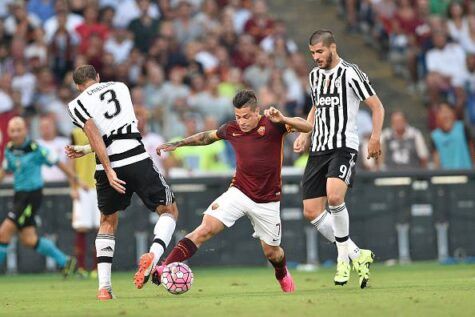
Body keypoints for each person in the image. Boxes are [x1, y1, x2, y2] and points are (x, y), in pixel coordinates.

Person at [153, 89, 313, 293]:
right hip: (238, 192)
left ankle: (281, 273)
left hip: (267, 201)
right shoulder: (231, 129)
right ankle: (163, 267)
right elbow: (206, 137)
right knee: (204, 230)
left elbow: (307, 126)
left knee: (273, 254)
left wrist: (283, 117)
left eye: (246, 116)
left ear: (257, 112)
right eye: (238, 117)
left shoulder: (273, 123)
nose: (242, 121)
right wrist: (180, 143)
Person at [65, 65, 179, 301]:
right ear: (98, 77)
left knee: (107, 221)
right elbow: (119, 129)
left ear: (78, 86)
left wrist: (106, 167)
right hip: (136, 155)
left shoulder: (75, 104)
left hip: (107, 164)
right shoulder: (120, 87)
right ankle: (154, 255)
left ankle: (104, 288)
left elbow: (96, 133)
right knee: (168, 209)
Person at [293, 30, 385, 288]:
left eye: (320, 51)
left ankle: (342, 260)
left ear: (333, 47)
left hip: (344, 145)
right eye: (312, 53)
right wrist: (305, 134)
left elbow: (377, 106)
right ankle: (358, 254)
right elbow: (316, 106)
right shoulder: (314, 76)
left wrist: (376, 137)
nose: (316, 57)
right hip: (319, 148)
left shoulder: (351, 73)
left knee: (334, 197)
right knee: (311, 211)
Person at [0, 117, 79, 276]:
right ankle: (66, 262)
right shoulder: (9, 149)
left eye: (19, 130)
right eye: (12, 130)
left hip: (31, 197)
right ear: (8, 132)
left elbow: (58, 162)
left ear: (25, 131)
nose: (15, 134)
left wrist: (75, 180)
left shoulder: (36, 148)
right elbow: (4, 170)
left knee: (4, 232)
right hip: (19, 196)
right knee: (28, 239)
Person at [70, 126, 101, 277]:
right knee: (81, 228)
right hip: (82, 187)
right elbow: (70, 158)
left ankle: (97, 268)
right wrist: (73, 186)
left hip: (100, 185)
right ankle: (81, 268)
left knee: (100, 228)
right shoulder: (75, 133)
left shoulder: (102, 129)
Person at [431, 103, 474, 169]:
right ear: (437, 116)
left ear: (453, 113)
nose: (445, 116)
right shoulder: (435, 136)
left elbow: (472, 150)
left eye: (447, 112)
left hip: (466, 173)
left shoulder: (463, 128)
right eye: (442, 112)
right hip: (447, 176)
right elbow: (436, 161)